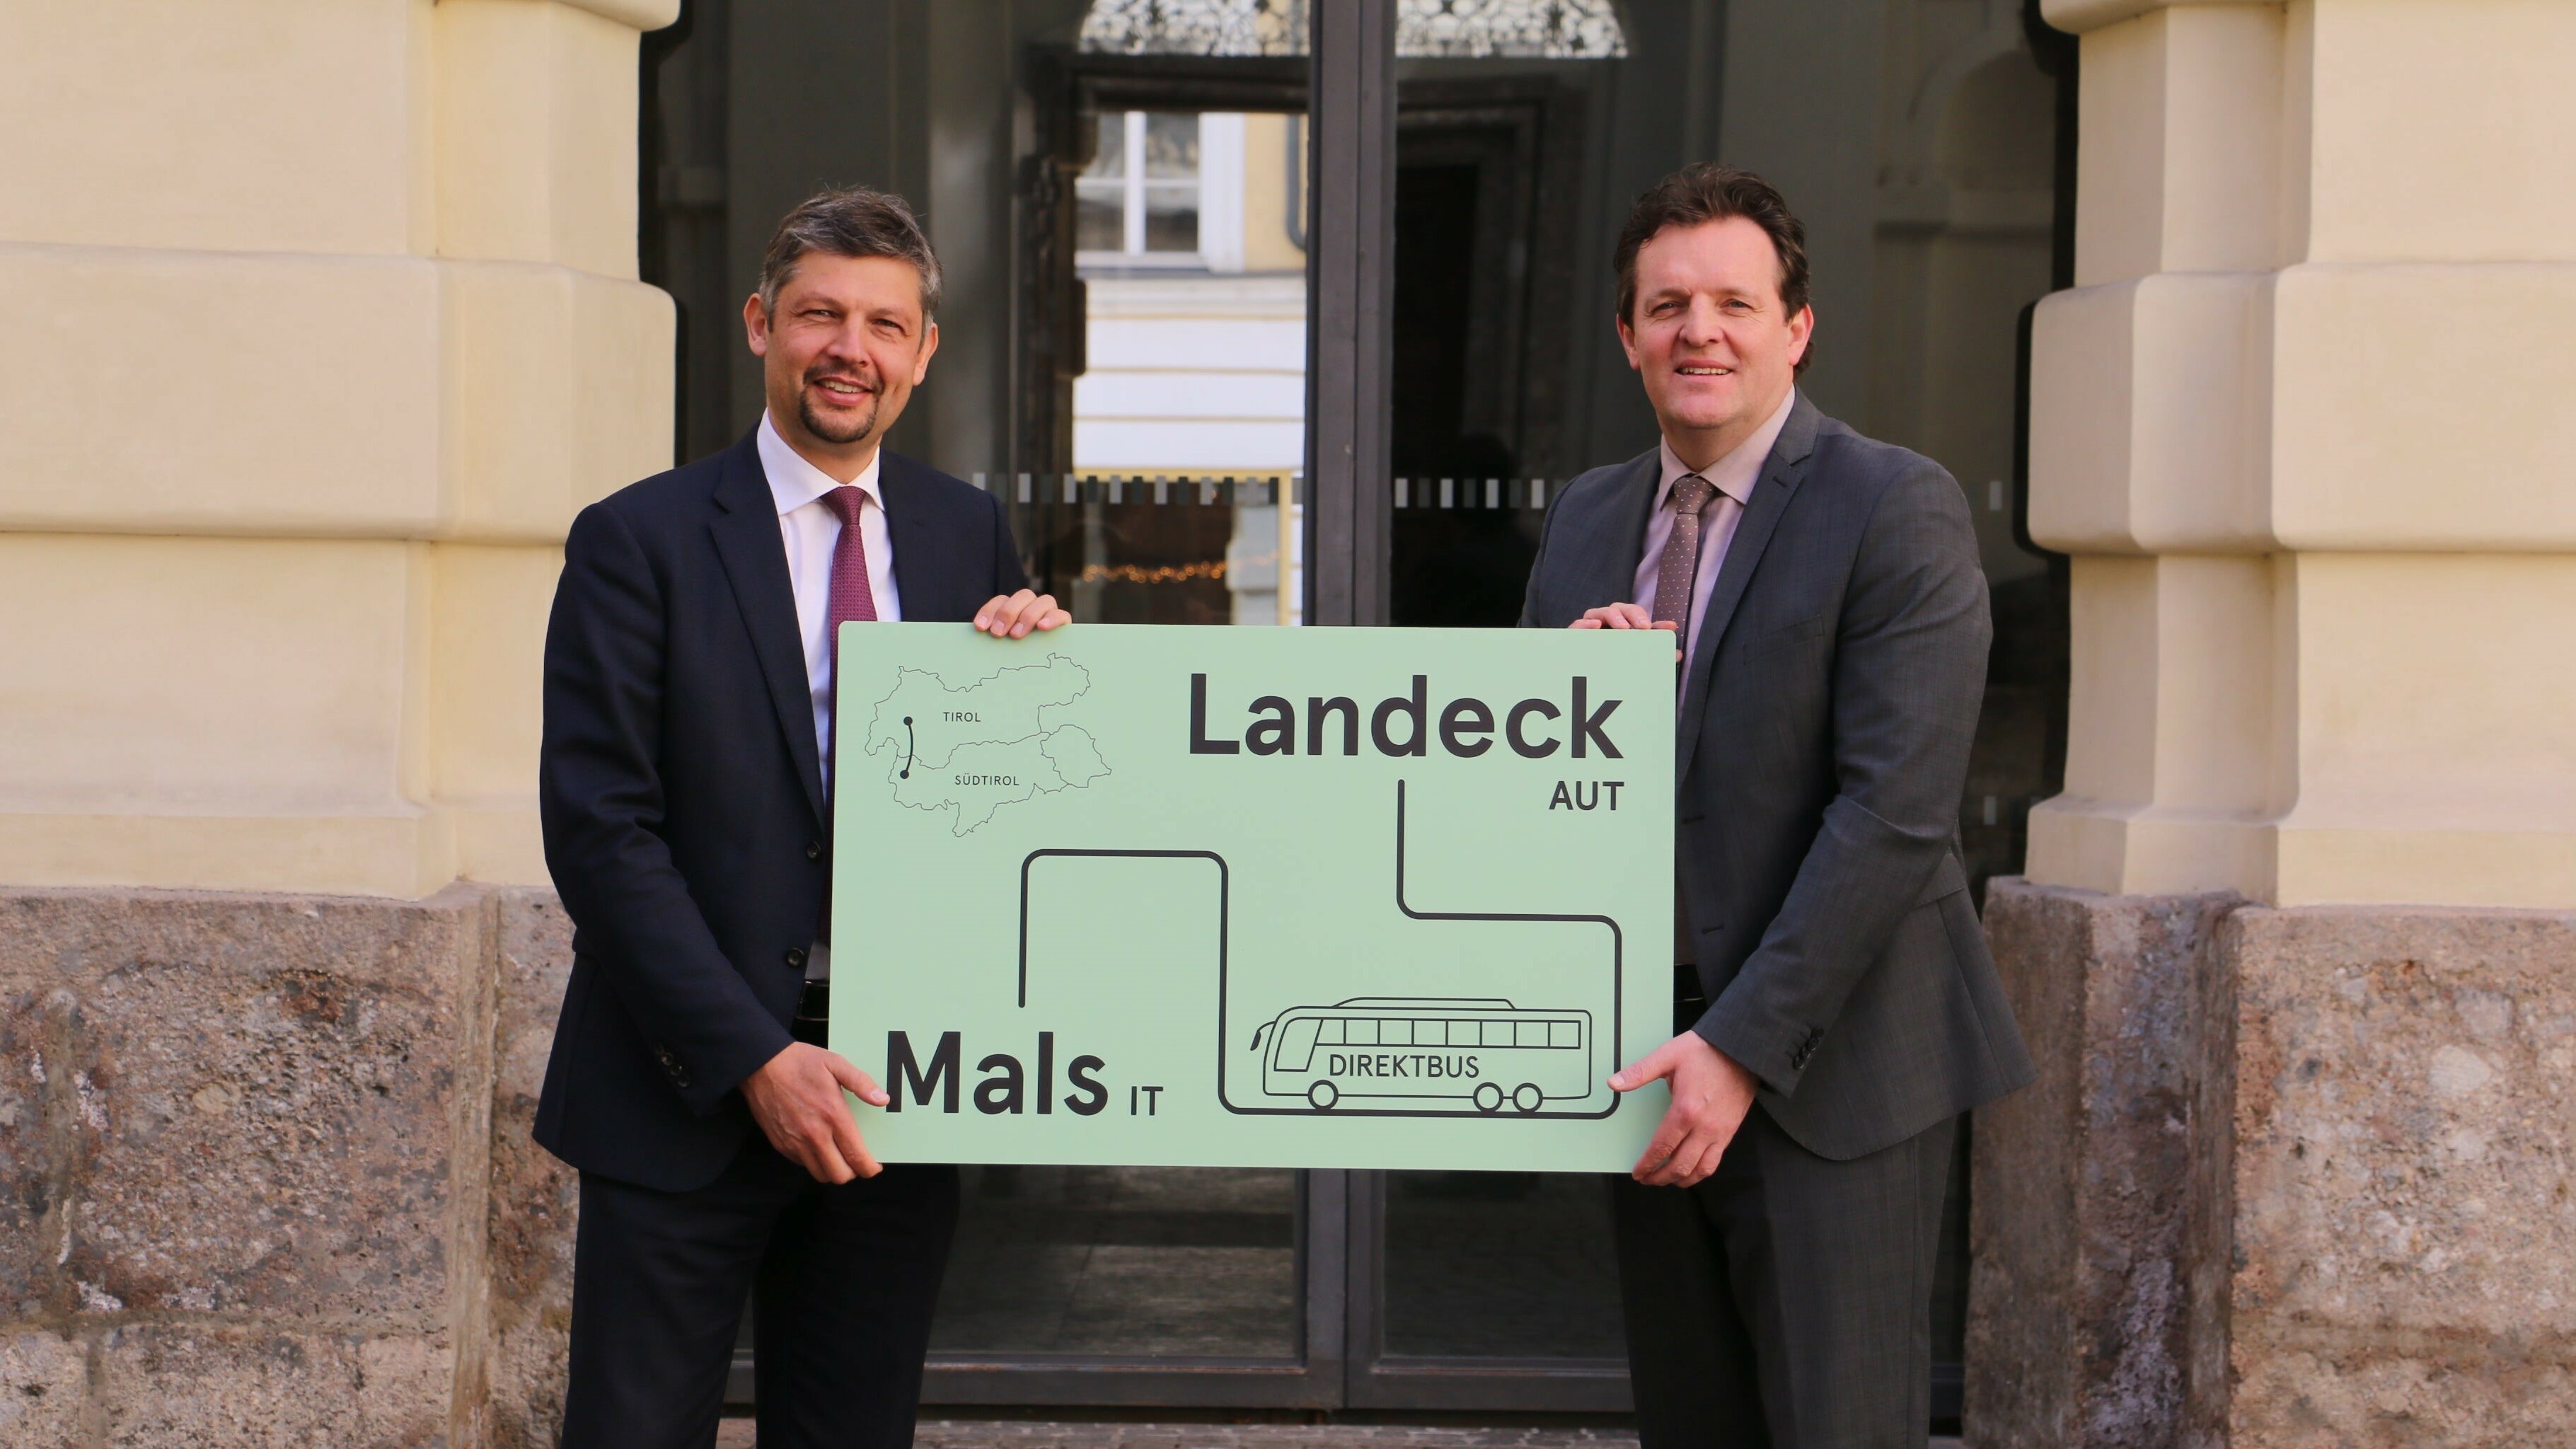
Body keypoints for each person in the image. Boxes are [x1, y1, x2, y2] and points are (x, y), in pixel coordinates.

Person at [535, 186, 1068, 1449]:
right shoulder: (636, 539)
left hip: (896, 1091)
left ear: (922, 352)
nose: (850, 350)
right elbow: (602, 833)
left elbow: (1004, 803)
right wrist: (752, 1059)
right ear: (760, 324)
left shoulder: (966, 531)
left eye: (884, 325)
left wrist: (1043, 662)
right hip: (682, 1087)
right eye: (820, 315)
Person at [1520, 164, 2033, 1447]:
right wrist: (1557, 702)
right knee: (1691, 1421)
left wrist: (1739, 1046)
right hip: (1644, 1055)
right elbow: (1522, 796)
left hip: (1832, 1063)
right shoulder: (1586, 517)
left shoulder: (1892, 503)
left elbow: (1894, 812)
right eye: (1667, 306)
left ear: (1795, 329)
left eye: (1734, 304)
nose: (1698, 332)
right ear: (1627, 335)